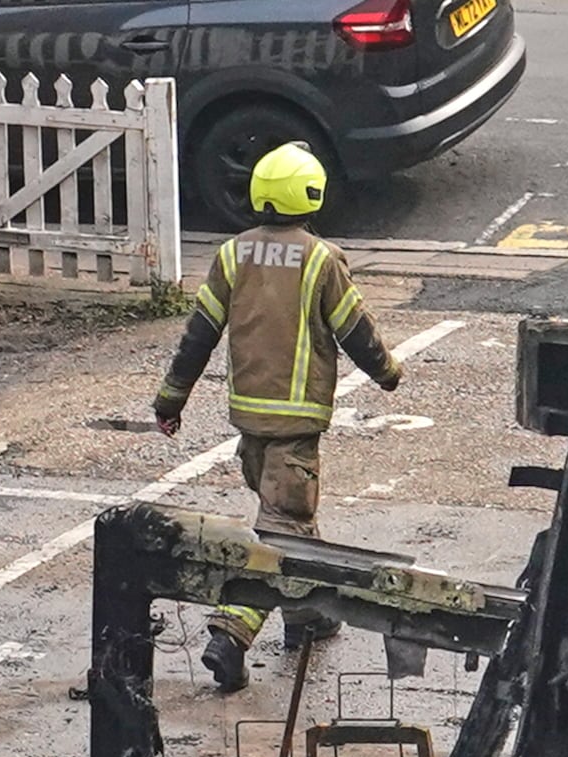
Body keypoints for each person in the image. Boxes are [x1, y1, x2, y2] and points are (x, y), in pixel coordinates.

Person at [152, 142, 405, 691]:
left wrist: (171, 400)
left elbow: (198, 336)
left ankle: (307, 618)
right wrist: (388, 372)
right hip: (296, 425)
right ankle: (230, 631)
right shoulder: (321, 259)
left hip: (249, 424)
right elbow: (355, 330)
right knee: (282, 531)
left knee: (288, 518)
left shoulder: (231, 255)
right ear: (311, 193)